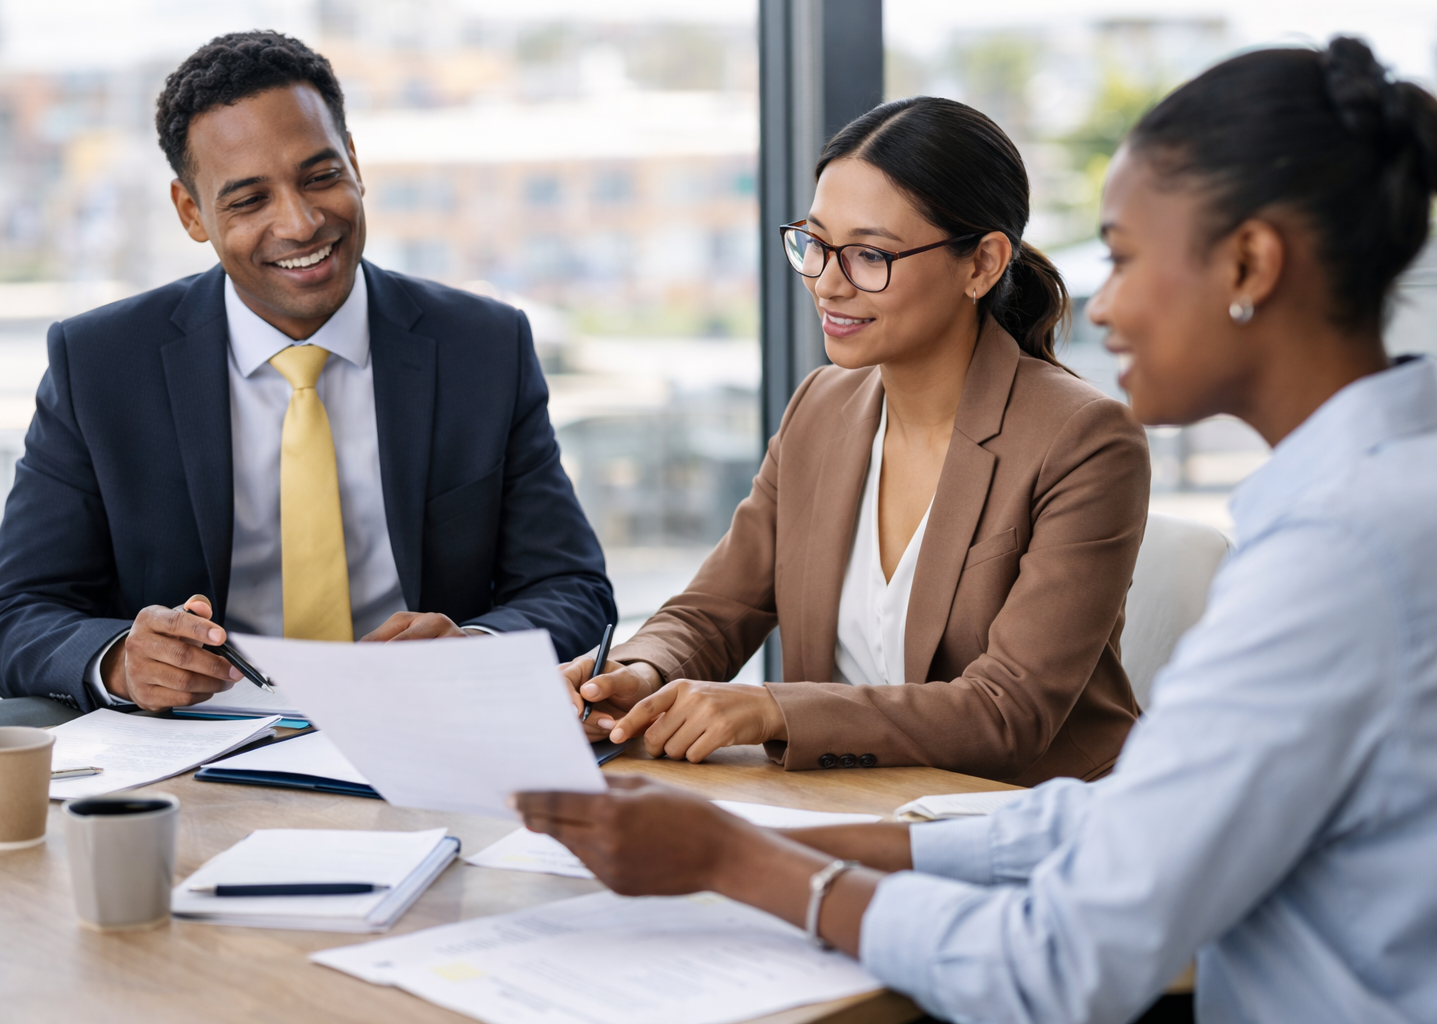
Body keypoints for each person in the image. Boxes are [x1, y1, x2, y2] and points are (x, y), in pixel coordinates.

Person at [520, 38, 1437, 1024]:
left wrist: (737, 858)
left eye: (1124, 257)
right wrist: (797, 825)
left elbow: (1056, 962)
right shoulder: (1371, 506)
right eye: (816, 245)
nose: (1107, 304)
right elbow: (1117, 822)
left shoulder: (1331, 555)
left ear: (1252, 261)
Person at [0, 32, 613, 712]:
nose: (301, 223)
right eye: (249, 200)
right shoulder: (100, 363)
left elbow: (572, 590)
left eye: (320, 176)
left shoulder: (482, 346)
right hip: (199, 759)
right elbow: (14, 616)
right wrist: (120, 661)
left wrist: (476, 647)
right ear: (192, 212)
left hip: (427, 734)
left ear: (355, 163)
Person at [566, 98, 1150, 785]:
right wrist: (639, 669)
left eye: (870, 254)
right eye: (815, 243)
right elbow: (714, 612)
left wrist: (775, 711)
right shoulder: (820, 409)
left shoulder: (1084, 439)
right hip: (846, 811)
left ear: (983, 264)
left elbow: (1008, 712)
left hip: (1032, 823)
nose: (828, 281)